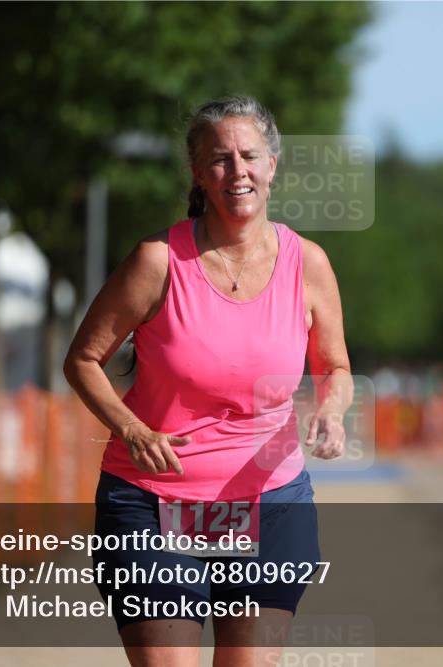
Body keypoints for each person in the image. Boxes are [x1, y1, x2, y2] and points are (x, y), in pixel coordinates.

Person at [63, 95, 353, 667]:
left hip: (270, 502)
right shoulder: (157, 261)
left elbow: (336, 367)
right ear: (199, 173)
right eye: (220, 159)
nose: (237, 171)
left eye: (250, 156)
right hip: (152, 503)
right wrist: (132, 429)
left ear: (272, 164)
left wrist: (332, 409)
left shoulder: (308, 264)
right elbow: (83, 360)